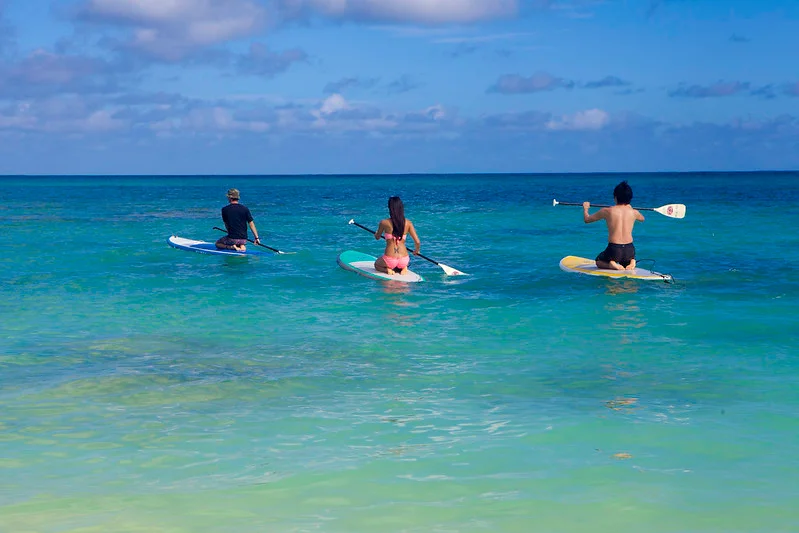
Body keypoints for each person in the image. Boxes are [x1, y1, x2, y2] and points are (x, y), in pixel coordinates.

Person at [583, 181, 644, 271]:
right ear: (630, 199)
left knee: (598, 261)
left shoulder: (607, 211)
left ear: (615, 197)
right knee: (625, 261)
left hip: (614, 249)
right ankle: (632, 261)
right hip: (629, 249)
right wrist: (630, 208)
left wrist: (585, 209)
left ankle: (611, 264)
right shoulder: (634, 212)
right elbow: (642, 219)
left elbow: (587, 220)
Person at [373, 196, 421, 275]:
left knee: (377, 265)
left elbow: (377, 237)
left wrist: (376, 234)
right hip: (404, 259)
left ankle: (388, 270)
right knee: (402, 264)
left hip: (389, 259)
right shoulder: (408, 223)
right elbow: (417, 242)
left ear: (390, 208)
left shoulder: (384, 222)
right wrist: (416, 250)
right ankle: (404, 268)